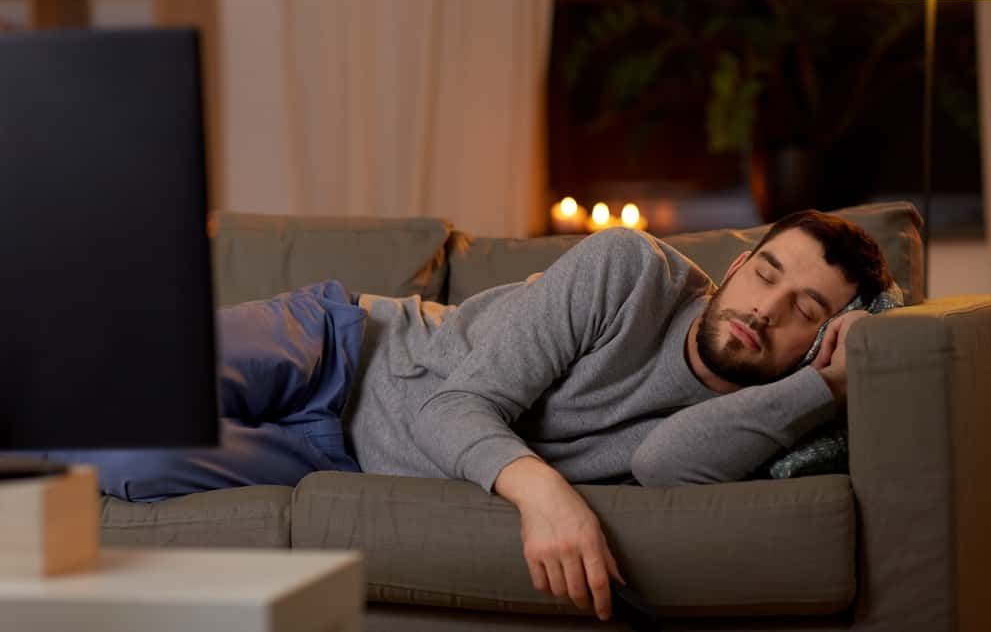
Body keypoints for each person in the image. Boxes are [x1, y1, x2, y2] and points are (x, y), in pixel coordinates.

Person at [38, 209, 892, 622]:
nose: (767, 309)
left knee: (117, 458)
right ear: (737, 263)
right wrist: (544, 493)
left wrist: (827, 387)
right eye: (767, 274)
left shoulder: (755, 414)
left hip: (328, 455)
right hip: (343, 344)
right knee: (110, 382)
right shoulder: (629, 270)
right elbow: (457, 406)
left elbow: (672, 466)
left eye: (808, 313)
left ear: (819, 344)